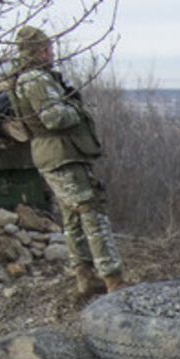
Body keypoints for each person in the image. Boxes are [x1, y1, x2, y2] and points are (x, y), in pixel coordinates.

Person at [8, 26, 125, 297]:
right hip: (61, 155)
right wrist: (76, 108)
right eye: (47, 48)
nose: (51, 53)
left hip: (56, 154)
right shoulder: (35, 79)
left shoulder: (28, 78)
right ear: (38, 51)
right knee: (91, 212)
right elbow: (55, 118)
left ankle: (86, 278)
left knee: (73, 217)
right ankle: (113, 280)